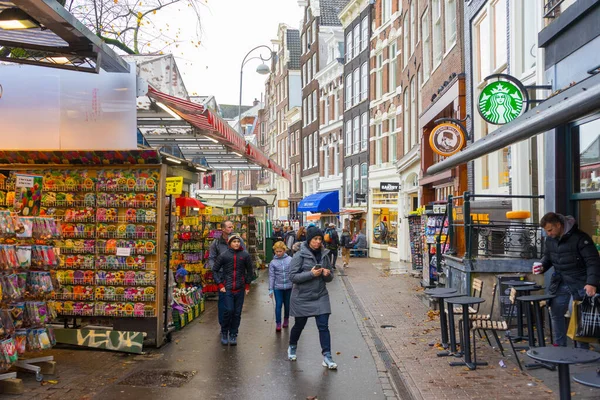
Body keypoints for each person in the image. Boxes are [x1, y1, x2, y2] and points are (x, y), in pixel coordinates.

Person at [535, 212, 600, 347]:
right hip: (561, 281)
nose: (548, 233)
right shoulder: (550, 239)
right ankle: (559, 345)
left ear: (558, 225)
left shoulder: (581, 238)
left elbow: (593, 261)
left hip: (580, 282)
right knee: (555, 310)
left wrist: (591, 283)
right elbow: (548, 258)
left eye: (550, 230)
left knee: (578, 314)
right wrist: (542, 266)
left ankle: (582, 350)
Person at [287, 226, 337, 370]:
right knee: (299, 325)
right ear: (309, 240)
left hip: (320, 295)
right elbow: (293, 277)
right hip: (302, 297)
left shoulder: (324, 254)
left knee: (323, 326)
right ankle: (292, 346)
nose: (317, 242)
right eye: (315, 239)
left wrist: (327, 274)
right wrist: (311, 274)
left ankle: (327, 356)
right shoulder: (299, 255)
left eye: (320, 239)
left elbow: (330, 277)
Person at [212, 235, 255, 346]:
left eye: (238, 242)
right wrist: (220, 284)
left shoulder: (245, 255)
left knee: (237, 313)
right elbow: (215, 270)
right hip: (227, 288)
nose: (236, 243)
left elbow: (250, 271)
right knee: (228, 310)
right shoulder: (224, 255)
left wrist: (247, 285)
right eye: (234, 241)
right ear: (230, 243)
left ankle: (233, 334)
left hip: (239, 288)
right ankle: (224, 332)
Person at [269, 241, 293, 332]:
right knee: (278, 305)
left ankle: (286, 319)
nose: (278, 253)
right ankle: (278, 323)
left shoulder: (290, 259)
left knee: (287, 305)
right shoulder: (273, 262)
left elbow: (293, 272)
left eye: (280, 251)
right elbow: (272, 276)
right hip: (277, 287)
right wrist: (271, 288)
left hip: (289, 286)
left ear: (284, 250)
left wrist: (294, 284)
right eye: (276, 251)